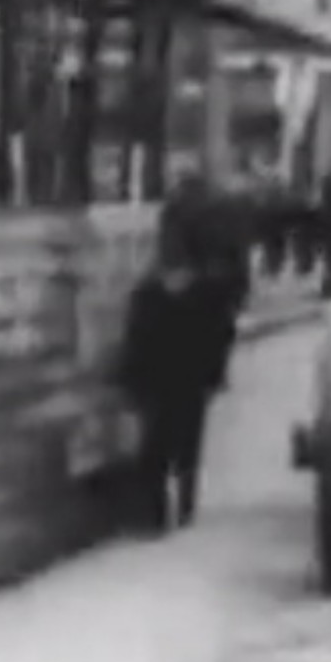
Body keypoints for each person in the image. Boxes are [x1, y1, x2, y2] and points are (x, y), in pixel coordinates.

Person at [118, 222, 239, 531]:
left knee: (156, 448)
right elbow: (221, 337)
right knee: (184, 443)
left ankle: (159, 514)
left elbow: (134, 340)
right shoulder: (208, 294)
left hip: (160, 380)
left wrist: (128, 380)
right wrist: (216, 374)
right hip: (187, 379)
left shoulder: (147, 295)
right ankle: (181, 505)